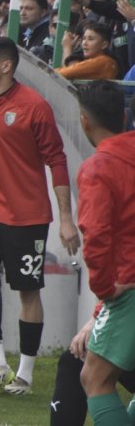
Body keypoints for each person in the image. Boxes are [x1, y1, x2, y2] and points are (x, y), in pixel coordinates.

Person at [0, 36, 80, 396]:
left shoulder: (35, 106)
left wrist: (65, 218)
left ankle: (25, 375)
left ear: (6, 66)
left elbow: (57, 160)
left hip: (27, 216)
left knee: (28, 291)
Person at [74, 81, 135, 424]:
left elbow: (96, 236)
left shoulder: (99, 167)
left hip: (129, 286)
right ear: (124, 115)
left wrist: (106, 290)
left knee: (94, 378)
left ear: (84, 120)